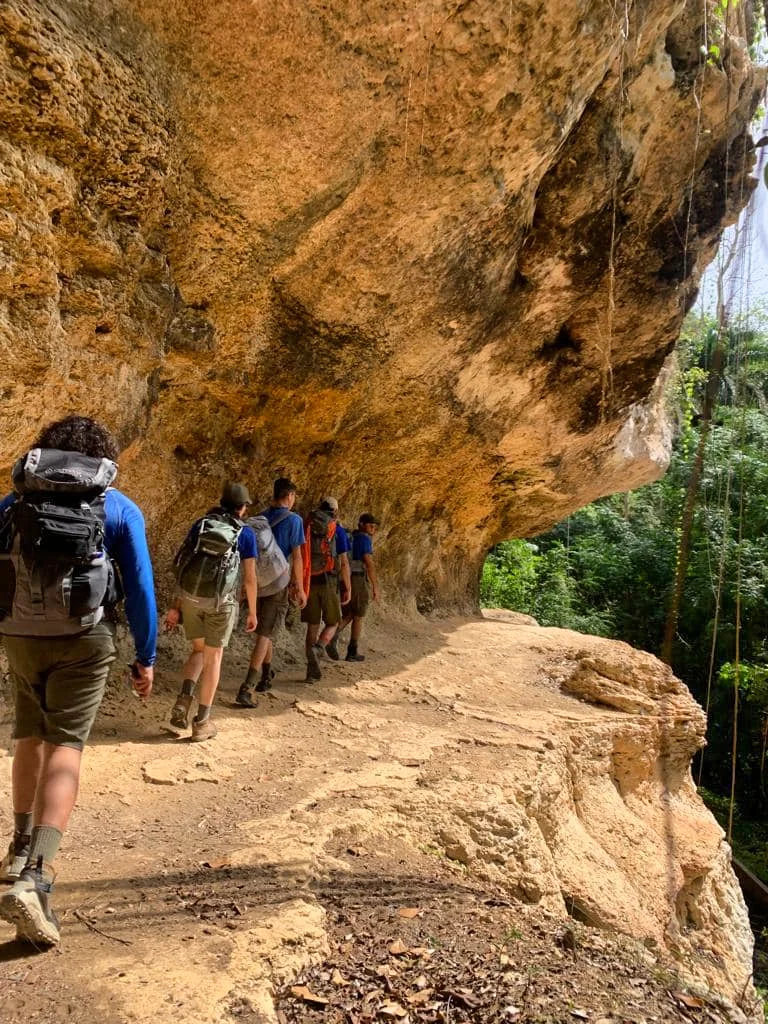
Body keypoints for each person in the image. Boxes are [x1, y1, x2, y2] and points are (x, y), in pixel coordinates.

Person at [0, 415, 157, 947]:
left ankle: (19, 844)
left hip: (20, 635)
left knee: (28, 735)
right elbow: (138, 586)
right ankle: (37, 877)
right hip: (86, 640)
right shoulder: (116, 506)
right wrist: (147, 655)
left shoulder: (12, 502)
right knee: (66, 746)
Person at [165, 482, 257, 740]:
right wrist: (253, 612)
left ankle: (183, 701)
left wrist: (176, 605)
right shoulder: (245, 534)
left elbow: (183, 563)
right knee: (213, 658)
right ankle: (202, 722)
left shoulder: (202, 524)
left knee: (197, 650)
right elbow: (250, 578)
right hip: (220, 602)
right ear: (242, 508)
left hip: (192, 598)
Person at [235, 477, 307, 707]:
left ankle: (266, 675)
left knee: (266, 629)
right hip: (278, 582)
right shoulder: (294, 520)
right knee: (265, 634)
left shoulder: (260, 518)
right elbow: (297, 556)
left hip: (256, 581)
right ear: (289, 496)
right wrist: (300, 586)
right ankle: (248, 686)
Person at [301, 497, 350, 682]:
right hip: (329, 580)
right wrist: (348, 587)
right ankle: (320, 647)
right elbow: (344, 562)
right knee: (333, 622)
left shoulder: (308, 525)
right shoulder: (337, 529)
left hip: (309, 580)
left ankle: (311, 673)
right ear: (335, 511)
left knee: (312, 626)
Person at [327, 513, 380, 662]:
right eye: (370, 526)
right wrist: (375, 586)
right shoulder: (363, 539)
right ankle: (351, 650)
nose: (373, 529)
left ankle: (331, 637)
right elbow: (368, 562)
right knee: (359, 615)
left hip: (344, 578)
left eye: (375, 527)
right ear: (361, 524)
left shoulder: (351, 536)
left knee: (349, 613)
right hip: (357, 579)